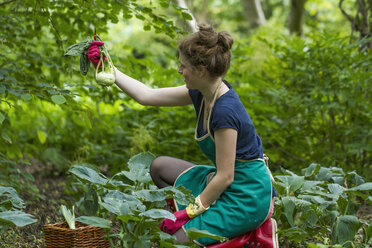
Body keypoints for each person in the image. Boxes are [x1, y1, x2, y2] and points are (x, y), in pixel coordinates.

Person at [87, 24, 278, 247]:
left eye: (183, 66)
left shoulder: (225, 112)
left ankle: (245, 235)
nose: (179, 70)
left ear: (201, 70)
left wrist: (188, 212)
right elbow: (146, 95)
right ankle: (209, 226)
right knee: (159, 167)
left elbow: (226, 176)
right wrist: (108, 67)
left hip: (247, 196)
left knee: (172, 241)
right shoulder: (202, 92)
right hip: (223, 183)